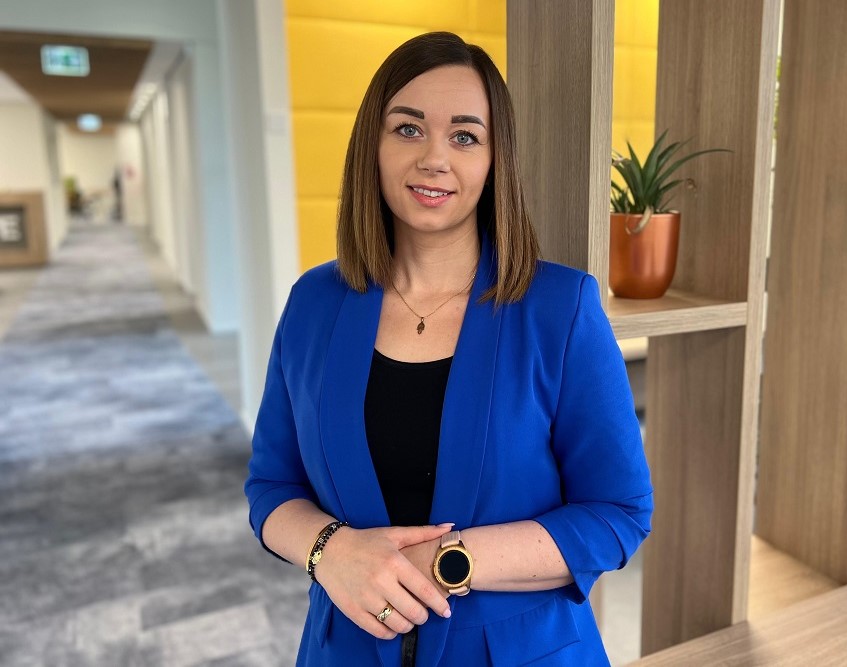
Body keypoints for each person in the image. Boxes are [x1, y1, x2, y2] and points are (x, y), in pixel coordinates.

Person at [244, 31, 653, 666]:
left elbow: (618, 513)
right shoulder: (313, 303)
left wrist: (444, 561)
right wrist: (332, 551)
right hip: (347, 648)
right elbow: (272, 486)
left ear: (495, 161)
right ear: (373, 146)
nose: (434, 158)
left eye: (465, 136)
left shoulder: (561, 307)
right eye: (408, 129)